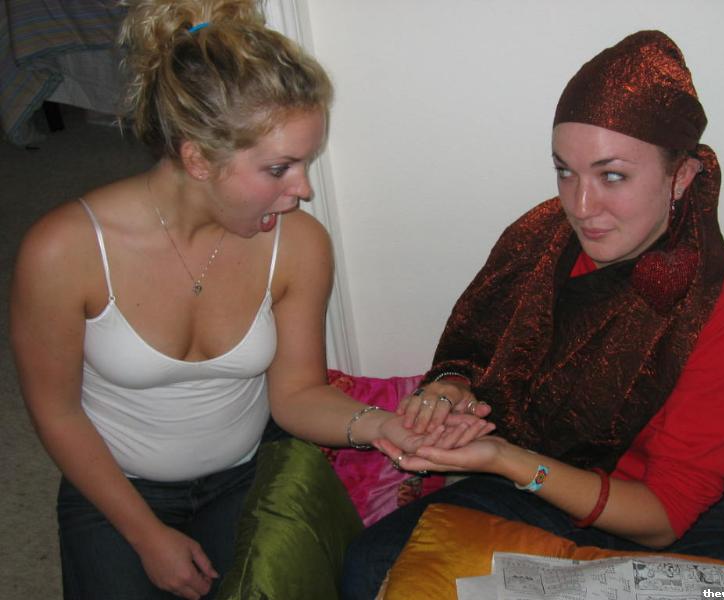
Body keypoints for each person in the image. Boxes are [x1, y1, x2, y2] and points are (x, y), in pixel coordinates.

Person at [9, 2, 492, 599]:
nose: (303, 189)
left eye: (305, 163)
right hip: (114, 485)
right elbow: (57, 413)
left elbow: (296, 396)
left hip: (245, 474)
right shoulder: (64, 250)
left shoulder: (299, 244)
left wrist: (387, 428)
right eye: (280, 168)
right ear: (197, 158)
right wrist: (146, 536)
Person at [342, 30, 724, 596]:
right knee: (375, 566)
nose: (581, 207)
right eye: (565, 171)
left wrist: (509, 461)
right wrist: (451, 390)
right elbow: (473, 352)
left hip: (661, 516)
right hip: (531, 485)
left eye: (613, 175)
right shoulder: (539, 241)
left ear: (680, 177)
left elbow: (665, 516)